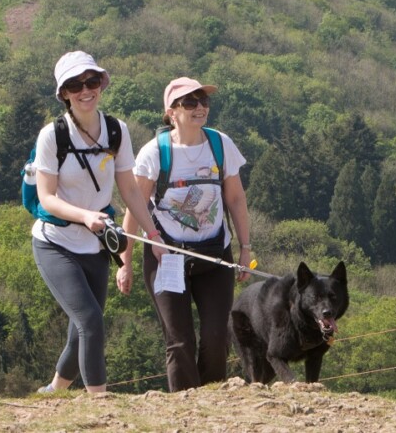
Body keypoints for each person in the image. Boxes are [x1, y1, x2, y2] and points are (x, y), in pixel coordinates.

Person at [31, 51, 163, 394]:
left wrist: (152, 233)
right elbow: (46, 198)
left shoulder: (116, 131)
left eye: (91, 82)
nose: (85, 90)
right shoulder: (52, 136)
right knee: (90, 320)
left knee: (83, 329)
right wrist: (86, 215)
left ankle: (54, 394)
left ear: (101, 84)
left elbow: (130, 190)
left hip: (96, 244)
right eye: (75, 85)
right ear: (64, 94)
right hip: (55, 242)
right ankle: (101, 404)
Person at [117, 77, 252, 391]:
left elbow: (235, 198)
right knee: (179, 341)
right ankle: (185, 409)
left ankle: (212, 402)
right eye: (190, 102)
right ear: (171, 111)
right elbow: (134, 207)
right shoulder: (155, 153)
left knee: (217, 337)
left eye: (203, 101)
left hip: (215, 255)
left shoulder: (220, 145)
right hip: (167, 258)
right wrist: (126, 263)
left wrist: (245, 248)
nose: (200, 107)